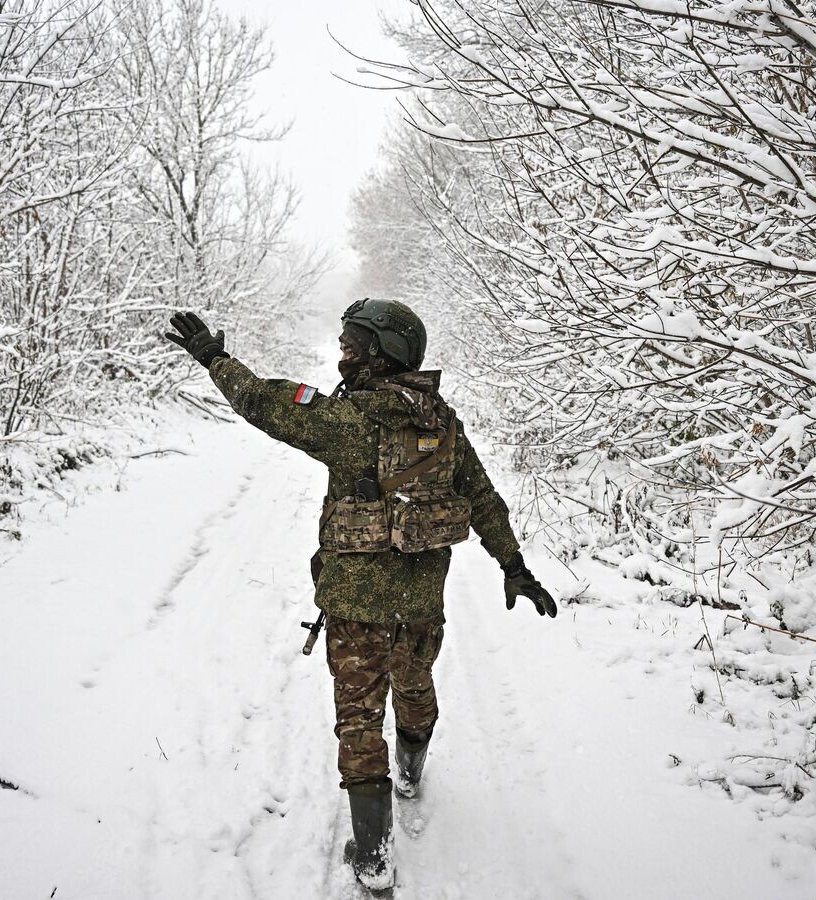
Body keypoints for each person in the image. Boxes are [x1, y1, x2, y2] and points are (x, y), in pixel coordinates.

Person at [165, 300, 556, 892]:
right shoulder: (443, 425)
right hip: (422, 606)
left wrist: (215, 358)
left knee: (358, 723)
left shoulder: (351, 423)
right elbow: (483, 498)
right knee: (416, 689)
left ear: (382, 351)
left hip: (354, 610)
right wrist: (514, 565)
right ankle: (411, 770)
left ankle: (374, 862)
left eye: (352, 340)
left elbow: (266, 406)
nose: (342, 348)